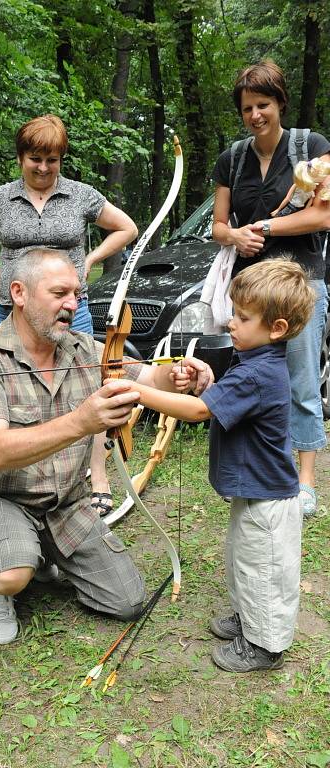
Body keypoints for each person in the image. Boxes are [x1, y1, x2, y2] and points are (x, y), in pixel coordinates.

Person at [0, 248, 213, 645]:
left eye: (76, 294)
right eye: (59, 293)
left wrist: (179, 375)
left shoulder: (84, 348)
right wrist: (80, 423)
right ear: (19, 293)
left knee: (127, 601)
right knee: (9, 575)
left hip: (66, 502)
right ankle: (2, 585)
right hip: (0, 497)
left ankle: (38, 551)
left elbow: (144, 378)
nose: (72, 304)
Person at [111, 259, 316, 672]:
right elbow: (224, 397)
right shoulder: (255, 358)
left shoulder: (259, 371)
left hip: (269, 499)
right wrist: (206, 378)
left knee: (265, 570)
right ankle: (249, 621)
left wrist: (136, 389)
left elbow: (200, 412)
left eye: (242, 317)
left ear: (276, 328)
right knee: (244, 562)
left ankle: (266, 647)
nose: (231, 324)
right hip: (254, 492)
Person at [0, 113, 139, 518]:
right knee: (25, 392)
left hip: (73, 312)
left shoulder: (80, 195)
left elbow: (127, 228)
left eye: (52, 159)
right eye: (35, 157)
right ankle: (32, 480)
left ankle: (97, 476)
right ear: (21, 157)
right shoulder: (1, 199)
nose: (43, 167)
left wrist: (89, 260)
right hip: (15, 311)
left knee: (90, 388)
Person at [211, 59, 330, 519]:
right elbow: (221, 226)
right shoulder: (232, 159)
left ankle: (305, 483)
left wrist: (263, 224)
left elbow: (322, 215)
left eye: (263, 104)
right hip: (251, 288)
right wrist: (235, 235)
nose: (255, 115)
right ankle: (259, 469)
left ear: (280, 102)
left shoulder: (312, 149)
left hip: (300, 284)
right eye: (246, 108)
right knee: (251, 378)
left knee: (299, 381)